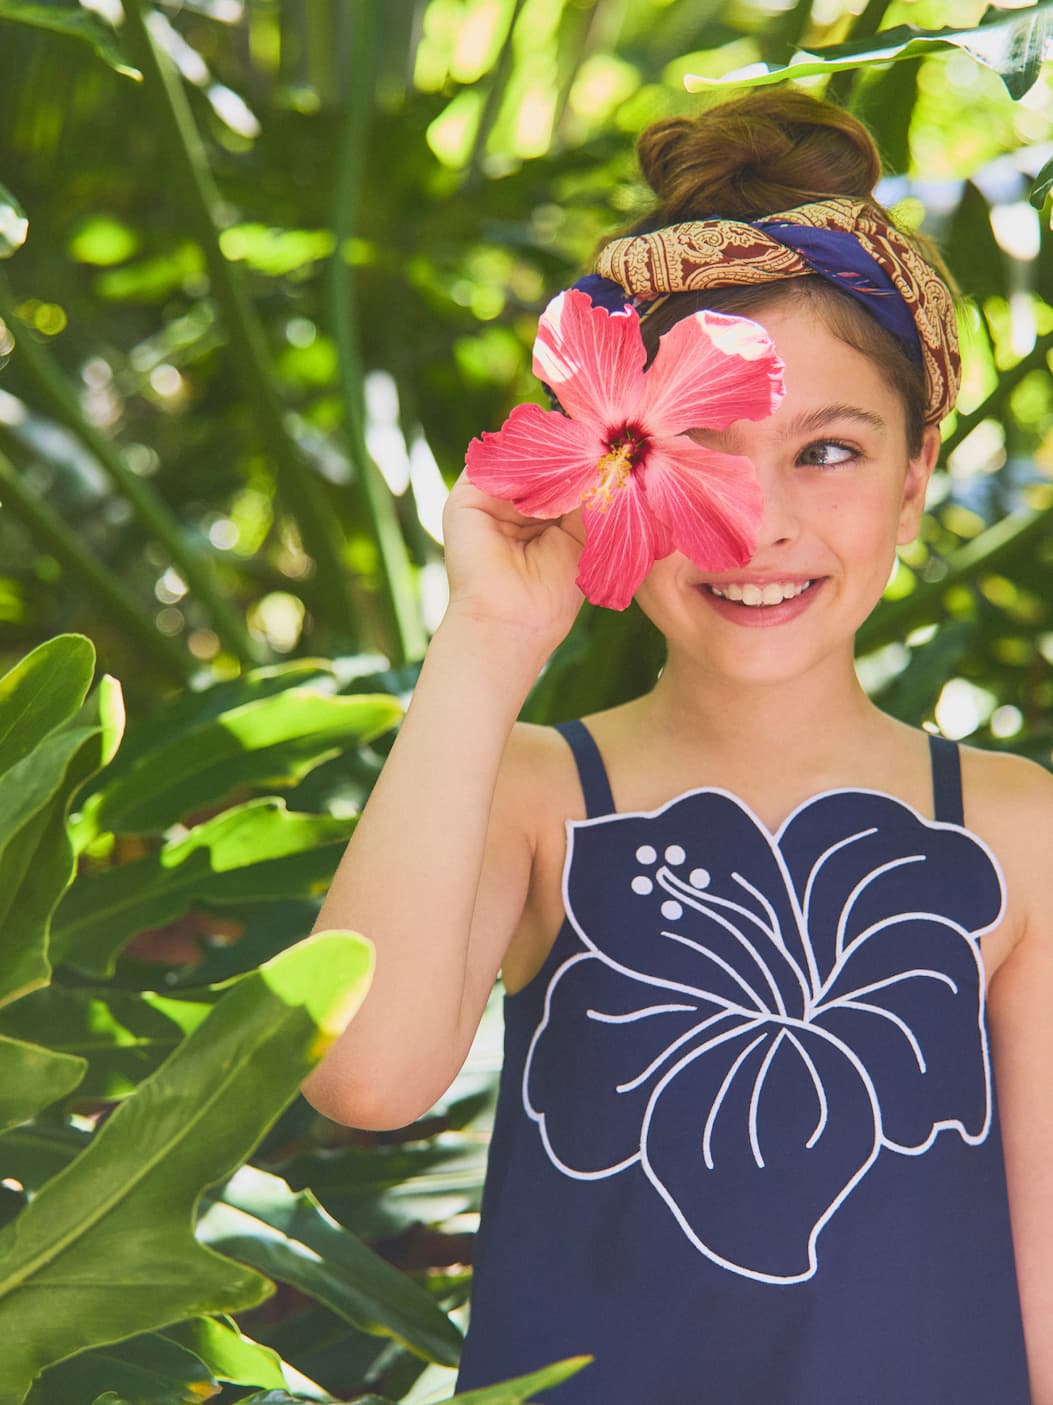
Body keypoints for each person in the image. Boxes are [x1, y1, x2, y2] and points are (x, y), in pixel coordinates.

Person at [303, 89, 1052, 1404]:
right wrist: (486, 631)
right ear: (612, 468)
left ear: (915, 475)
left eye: (827, 450)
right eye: (696, 447)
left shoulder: (1013, 828)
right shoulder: (536, 793)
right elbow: (359, 1074)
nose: (753, 522)